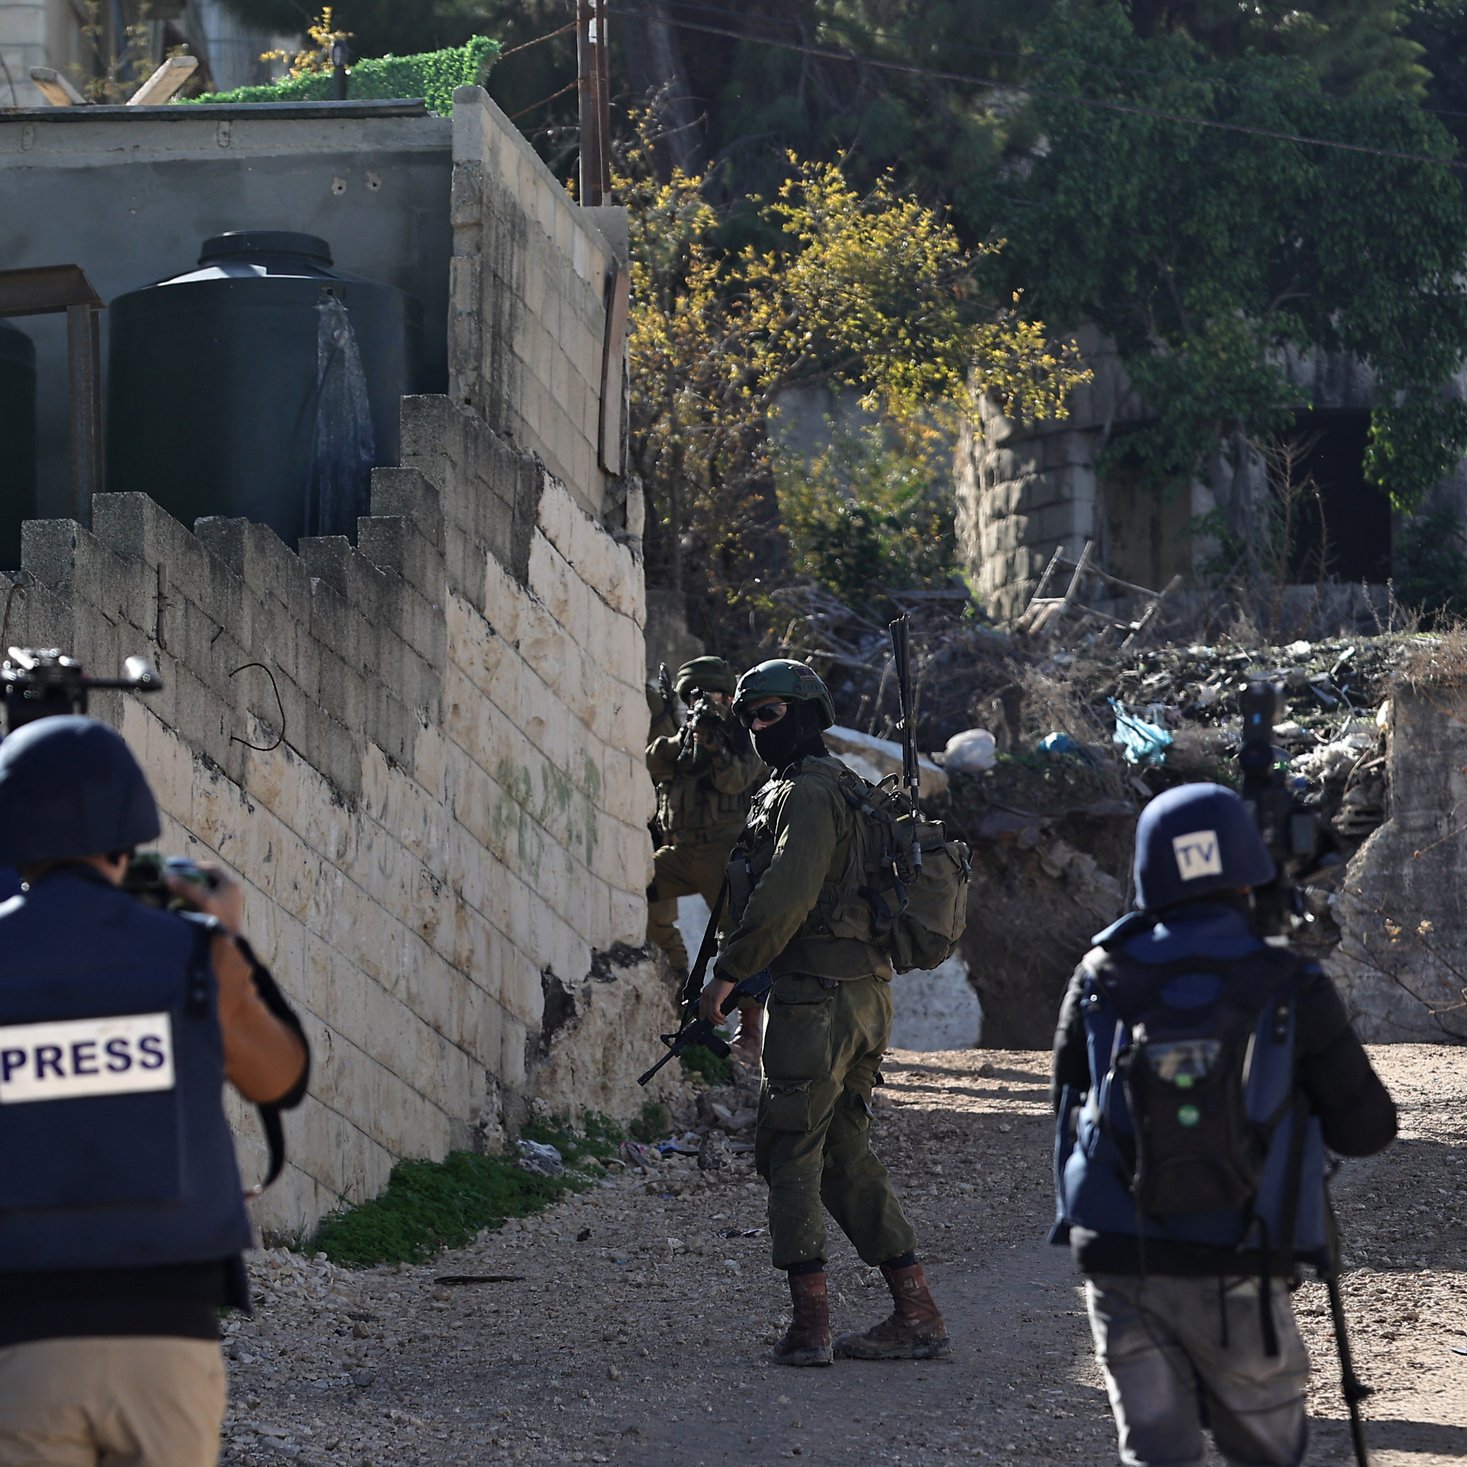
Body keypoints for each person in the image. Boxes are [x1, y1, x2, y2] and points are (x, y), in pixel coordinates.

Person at [1051, 782, 1397, 1467]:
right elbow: (1366, 1130)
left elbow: (1068, 1110)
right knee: (1266, 1452)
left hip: (1118, 1253)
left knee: (1156, 1454)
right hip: (1241, 1252)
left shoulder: (1100, 970)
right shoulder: (1286, 976)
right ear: (1246, 869)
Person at [0, 715, 311, 1467]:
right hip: (167, 1332)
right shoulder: (194, 955)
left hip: (21, 1335)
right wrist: (227, 938)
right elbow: (281, 1077)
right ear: (129, 833)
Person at [699, 658, 948, 1367]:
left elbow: (786, 893)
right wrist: (750, 999)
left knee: (788, 1151)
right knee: (841, 1149)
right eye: (748, 717)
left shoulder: (808, 794)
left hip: (819, 999)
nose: (755, 728)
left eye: (769, 713)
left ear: (807, 714)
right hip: (858, 995)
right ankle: (916, 1309)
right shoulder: (843, 787)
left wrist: (727, 975)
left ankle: (809, 1327)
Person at [646, 655, 767, 1065]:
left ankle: (749, 1034)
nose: (704, 701)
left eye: (712, 694)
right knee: (640, 891)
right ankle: (682, 985)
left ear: (729, 697)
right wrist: (688, 739)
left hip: (725, 849)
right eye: (695, 696)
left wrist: (715, 744)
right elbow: (655, 762)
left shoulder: (744, 734)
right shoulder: (683, 735)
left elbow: (735, 779)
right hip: (681, 849)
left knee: (736, 936)